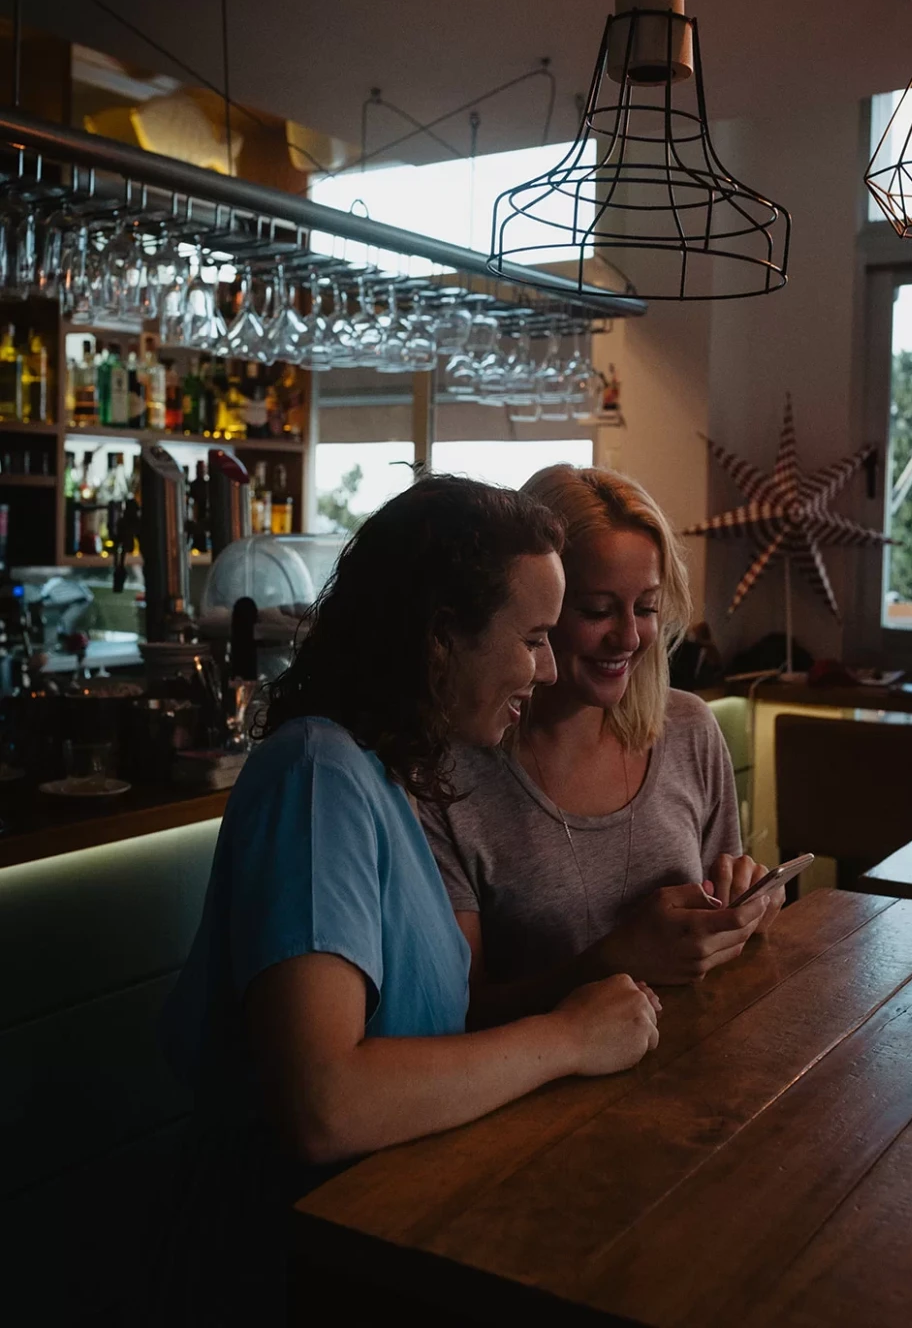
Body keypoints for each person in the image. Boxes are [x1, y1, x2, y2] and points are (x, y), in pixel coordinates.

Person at [158, 475, 660, 1324]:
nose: (544, 669)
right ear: (439, 641)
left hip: (392, 1237)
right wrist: (567, 1036)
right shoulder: (318, 776)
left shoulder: (382, 776)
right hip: (300, 1272)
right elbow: (325, 1104)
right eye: (532, 637)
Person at [421, 465, 781, 1028]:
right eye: (596, 610)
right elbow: (458, 1014)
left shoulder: (689, 728)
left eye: (646, 607)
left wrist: (749, 907)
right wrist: (614, 961)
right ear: (533, 605)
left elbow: (720, 931)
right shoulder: (449, 769)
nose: (630, 637)